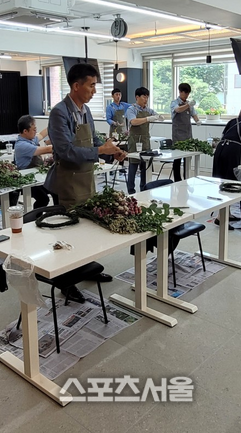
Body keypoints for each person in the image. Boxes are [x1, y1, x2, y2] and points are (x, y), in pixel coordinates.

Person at [45, 63, 126, 302]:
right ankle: (66, 281)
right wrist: (100, 150)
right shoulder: (59, 113)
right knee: (68, 233)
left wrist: (112, 150)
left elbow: (93, 140)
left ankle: (88, 268)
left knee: (88, 227)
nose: (94, 90)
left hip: (86, 178)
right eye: (91, 85)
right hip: (67, 181)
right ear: (76, 86)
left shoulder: (85, 110)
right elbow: (66, 151)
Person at [11, 114, 56, 209]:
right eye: (34, 129)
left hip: (37, 176)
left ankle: (57, 212)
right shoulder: (22, 145)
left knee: (56, 191)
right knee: (43, 199)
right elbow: (47, 149)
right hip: (28, 180)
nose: (36, 131)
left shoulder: (30, 139)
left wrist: (55, 124)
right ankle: (34, 216)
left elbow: (42, 135)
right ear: (25, 131)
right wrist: (64, 144)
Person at [125, 87, 164, 194]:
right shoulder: (131, 109)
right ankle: (131, 191)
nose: (146, 99)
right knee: (133, 165)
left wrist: (159, 117)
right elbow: (133, 121)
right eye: (144, 97)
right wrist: (147, 119)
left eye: (147, 97)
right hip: (134, 141)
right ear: (137, 97)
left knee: (145, 166)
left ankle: (144, 189)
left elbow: (156, 115)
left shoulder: (148, 110)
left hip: (145, 140)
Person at [170, 83, 201, 182]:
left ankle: (186, 178)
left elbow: (194, 114)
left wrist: (197, 121)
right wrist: (188, 105)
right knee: (177, 159)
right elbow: (178, 110)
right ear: (180, 92)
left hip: (188, 135)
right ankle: (177, 180)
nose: (187, 95)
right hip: (178, 136)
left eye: (188, 93)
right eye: (185, 93)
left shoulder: (189, 104)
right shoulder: (174, 103)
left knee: (188, 158)